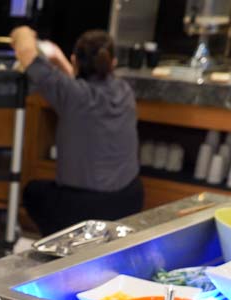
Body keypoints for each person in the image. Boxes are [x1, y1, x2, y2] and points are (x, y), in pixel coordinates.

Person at [10, 27, 143, 236]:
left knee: (33, 192)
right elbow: (76, 84)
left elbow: (26, 53)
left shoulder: (72, 95)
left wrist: (23, 30)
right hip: (129, 200)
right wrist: (60, 58)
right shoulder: (124, 90)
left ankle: (66, 246)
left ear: (75, 60)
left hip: (82, 209)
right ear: (113, 63)